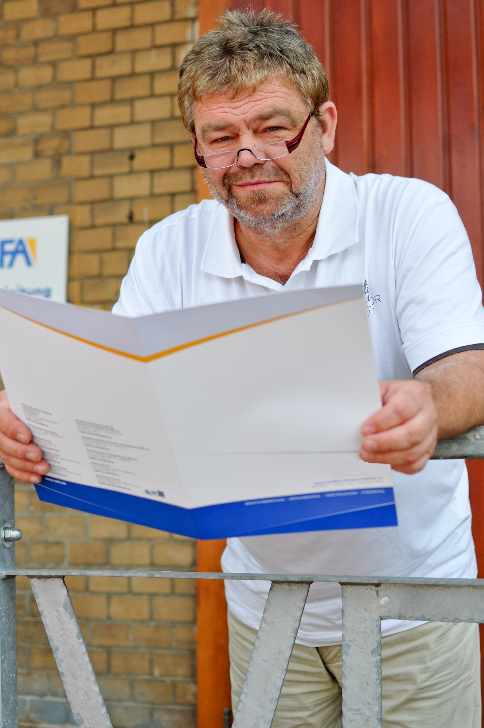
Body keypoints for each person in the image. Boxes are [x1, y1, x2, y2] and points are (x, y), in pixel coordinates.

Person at [1, 9, 484, 726]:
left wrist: (430, 407)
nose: (248, 154)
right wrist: (28, 412)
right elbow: (112, 385)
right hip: (264, 604)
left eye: (272, 126)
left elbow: (468, 367)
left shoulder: (408, 215)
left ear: (325, 126)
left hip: (411, 602)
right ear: (198, 150)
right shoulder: (168, 248)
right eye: (222, 137)